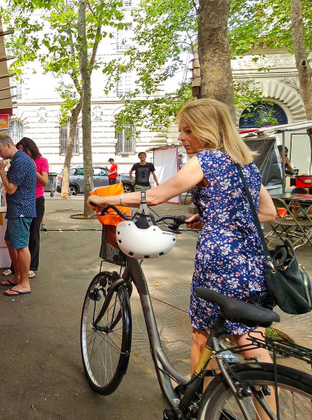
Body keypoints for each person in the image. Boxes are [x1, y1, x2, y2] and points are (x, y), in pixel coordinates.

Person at [89, 99, 277, 376]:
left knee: (202, 337)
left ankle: (197, 403)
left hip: (220, 260)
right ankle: (269, 418)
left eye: (188, 130)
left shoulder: (205, 160)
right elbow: (268, 212)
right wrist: (216, 219)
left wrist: (106, 199)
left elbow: (154, 196)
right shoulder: (246, 164)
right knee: (250, 339)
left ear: (209, 129)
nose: (181, 137)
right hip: (253, 259)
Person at [0, 133, 37, 297]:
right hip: (18, 209)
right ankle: (19, 277)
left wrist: (1, 171)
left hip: (21, 209)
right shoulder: (19, 160)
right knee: (11, 242)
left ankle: (24, 283)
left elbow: (10, 188)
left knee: (20, 246)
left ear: (7, 145)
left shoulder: (20, 161)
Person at [1, 138, 48, 280]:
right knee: (14, 239)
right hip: (21, 202)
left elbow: (45, 182)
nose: (21, 152)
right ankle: (16, 269)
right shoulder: (19, 161)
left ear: (31, 148)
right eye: (19, 149)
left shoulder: (40, 161)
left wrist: (33, 170)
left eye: (23, 149)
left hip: (35, 199)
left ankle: (31, 268)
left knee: (31, 235)